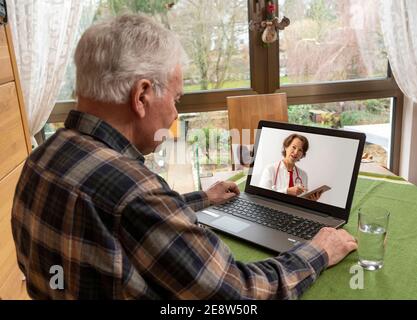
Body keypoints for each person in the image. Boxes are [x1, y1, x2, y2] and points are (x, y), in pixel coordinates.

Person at [11, 13, 357, 300]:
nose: (176, 113)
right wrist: (319, 251)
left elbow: (132, 218)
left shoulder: (42, 158)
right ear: (142, 95)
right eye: (176, 99)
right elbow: (239, 294)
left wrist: (202, 198)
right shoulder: (135, 192)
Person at [259, 134, 322, 201]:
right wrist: (287, 191)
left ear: (302, 155)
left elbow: (302, 202)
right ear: (286, 147)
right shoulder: (269, 169)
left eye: (300, 150)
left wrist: (311, 201)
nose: (296, 152)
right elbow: (262, 196)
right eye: (294, 147)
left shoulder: (303, 175)